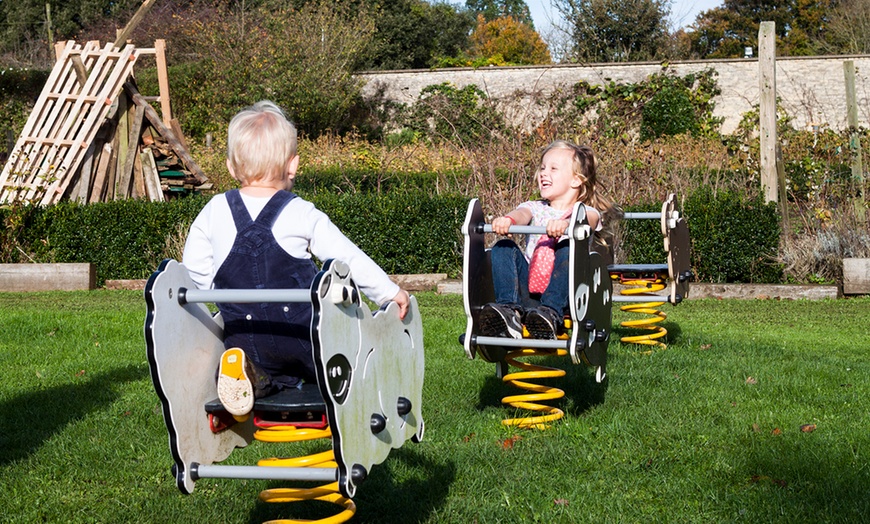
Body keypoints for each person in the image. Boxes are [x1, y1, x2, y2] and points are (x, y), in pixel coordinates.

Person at [182, 100, 410, 418]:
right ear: (293, 166)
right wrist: (389, 292)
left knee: (266, 372)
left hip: (244, 338)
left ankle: (250, 373)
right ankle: (366, 403)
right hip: (305, 339)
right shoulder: (301, 212)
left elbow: (196, 279)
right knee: (350, 365)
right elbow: (347, 259)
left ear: (231, 167)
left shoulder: (213, 211)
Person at [479, 140, 611, 340]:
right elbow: (522, 213)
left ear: (576, 180)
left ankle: (550, 313)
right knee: (503, 246)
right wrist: (509, 220)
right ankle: (510, 312)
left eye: (553, 168)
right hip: (530, 290)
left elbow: (588, 221)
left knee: (568, 247)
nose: (543, 173)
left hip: (566, 295)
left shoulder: (584, 211)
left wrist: (567, 225)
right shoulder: (535, 207)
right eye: (542, 168)